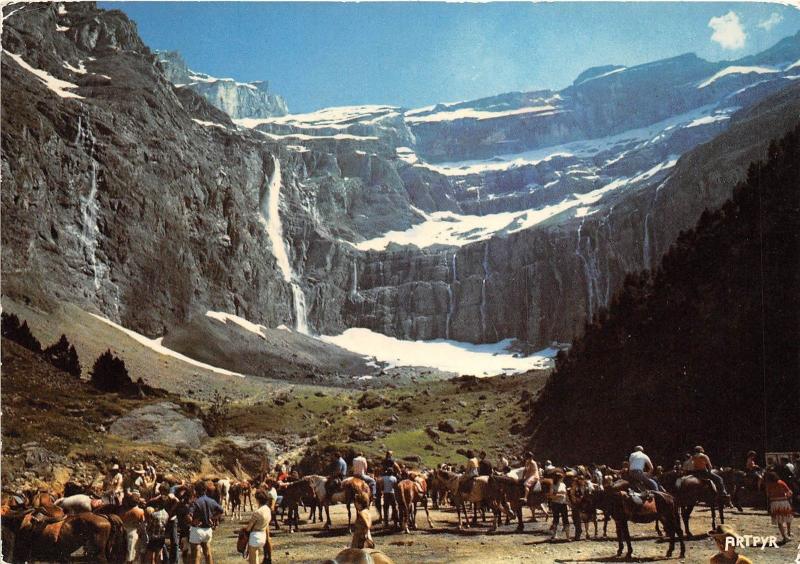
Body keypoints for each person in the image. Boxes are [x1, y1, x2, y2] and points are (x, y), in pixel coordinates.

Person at [188, 481, 224, 564]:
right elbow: (221, 511)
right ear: (205, 490)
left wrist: (192, 521)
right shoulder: (211, 501)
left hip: (197, 530)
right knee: (208, 553)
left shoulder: (195, 502)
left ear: (196, 491)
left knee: (196, 555)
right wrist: (213, 517)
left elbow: (189, 514)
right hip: (208, 530)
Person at [243, 489, 273, 564]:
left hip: (255, 537)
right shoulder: (267, 509)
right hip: (263, 536)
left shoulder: (257, 512)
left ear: (258, 499)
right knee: (256, 557)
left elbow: (248, 528)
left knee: (253, 560)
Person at [764, 471, 793, 544]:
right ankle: (789, 531)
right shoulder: (781, 482)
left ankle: (784, 537)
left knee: (779, 521)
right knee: (787, 517)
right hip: (783, 501)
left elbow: (768, 495)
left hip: (774, 503)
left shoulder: (768, 485)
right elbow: (789, 492)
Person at [548, 473, 570, 541]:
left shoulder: (563, 484)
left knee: (566, 519)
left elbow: (566, 494)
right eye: (561, 478)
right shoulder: (553, 485)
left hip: (563, 503)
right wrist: (558, 495)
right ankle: (554, 535)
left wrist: (568, 502)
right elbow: (550, 496)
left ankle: (567, 537)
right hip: (556, 504)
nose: (562, 479)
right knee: (556, 520)